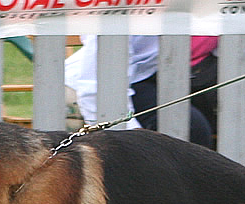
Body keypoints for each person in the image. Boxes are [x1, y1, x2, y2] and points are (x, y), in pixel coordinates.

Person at [65, 35, 214, 148]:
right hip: (91, 86)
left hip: (152, 78)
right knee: (191, 127)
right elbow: (96, 82)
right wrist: (131, 135)